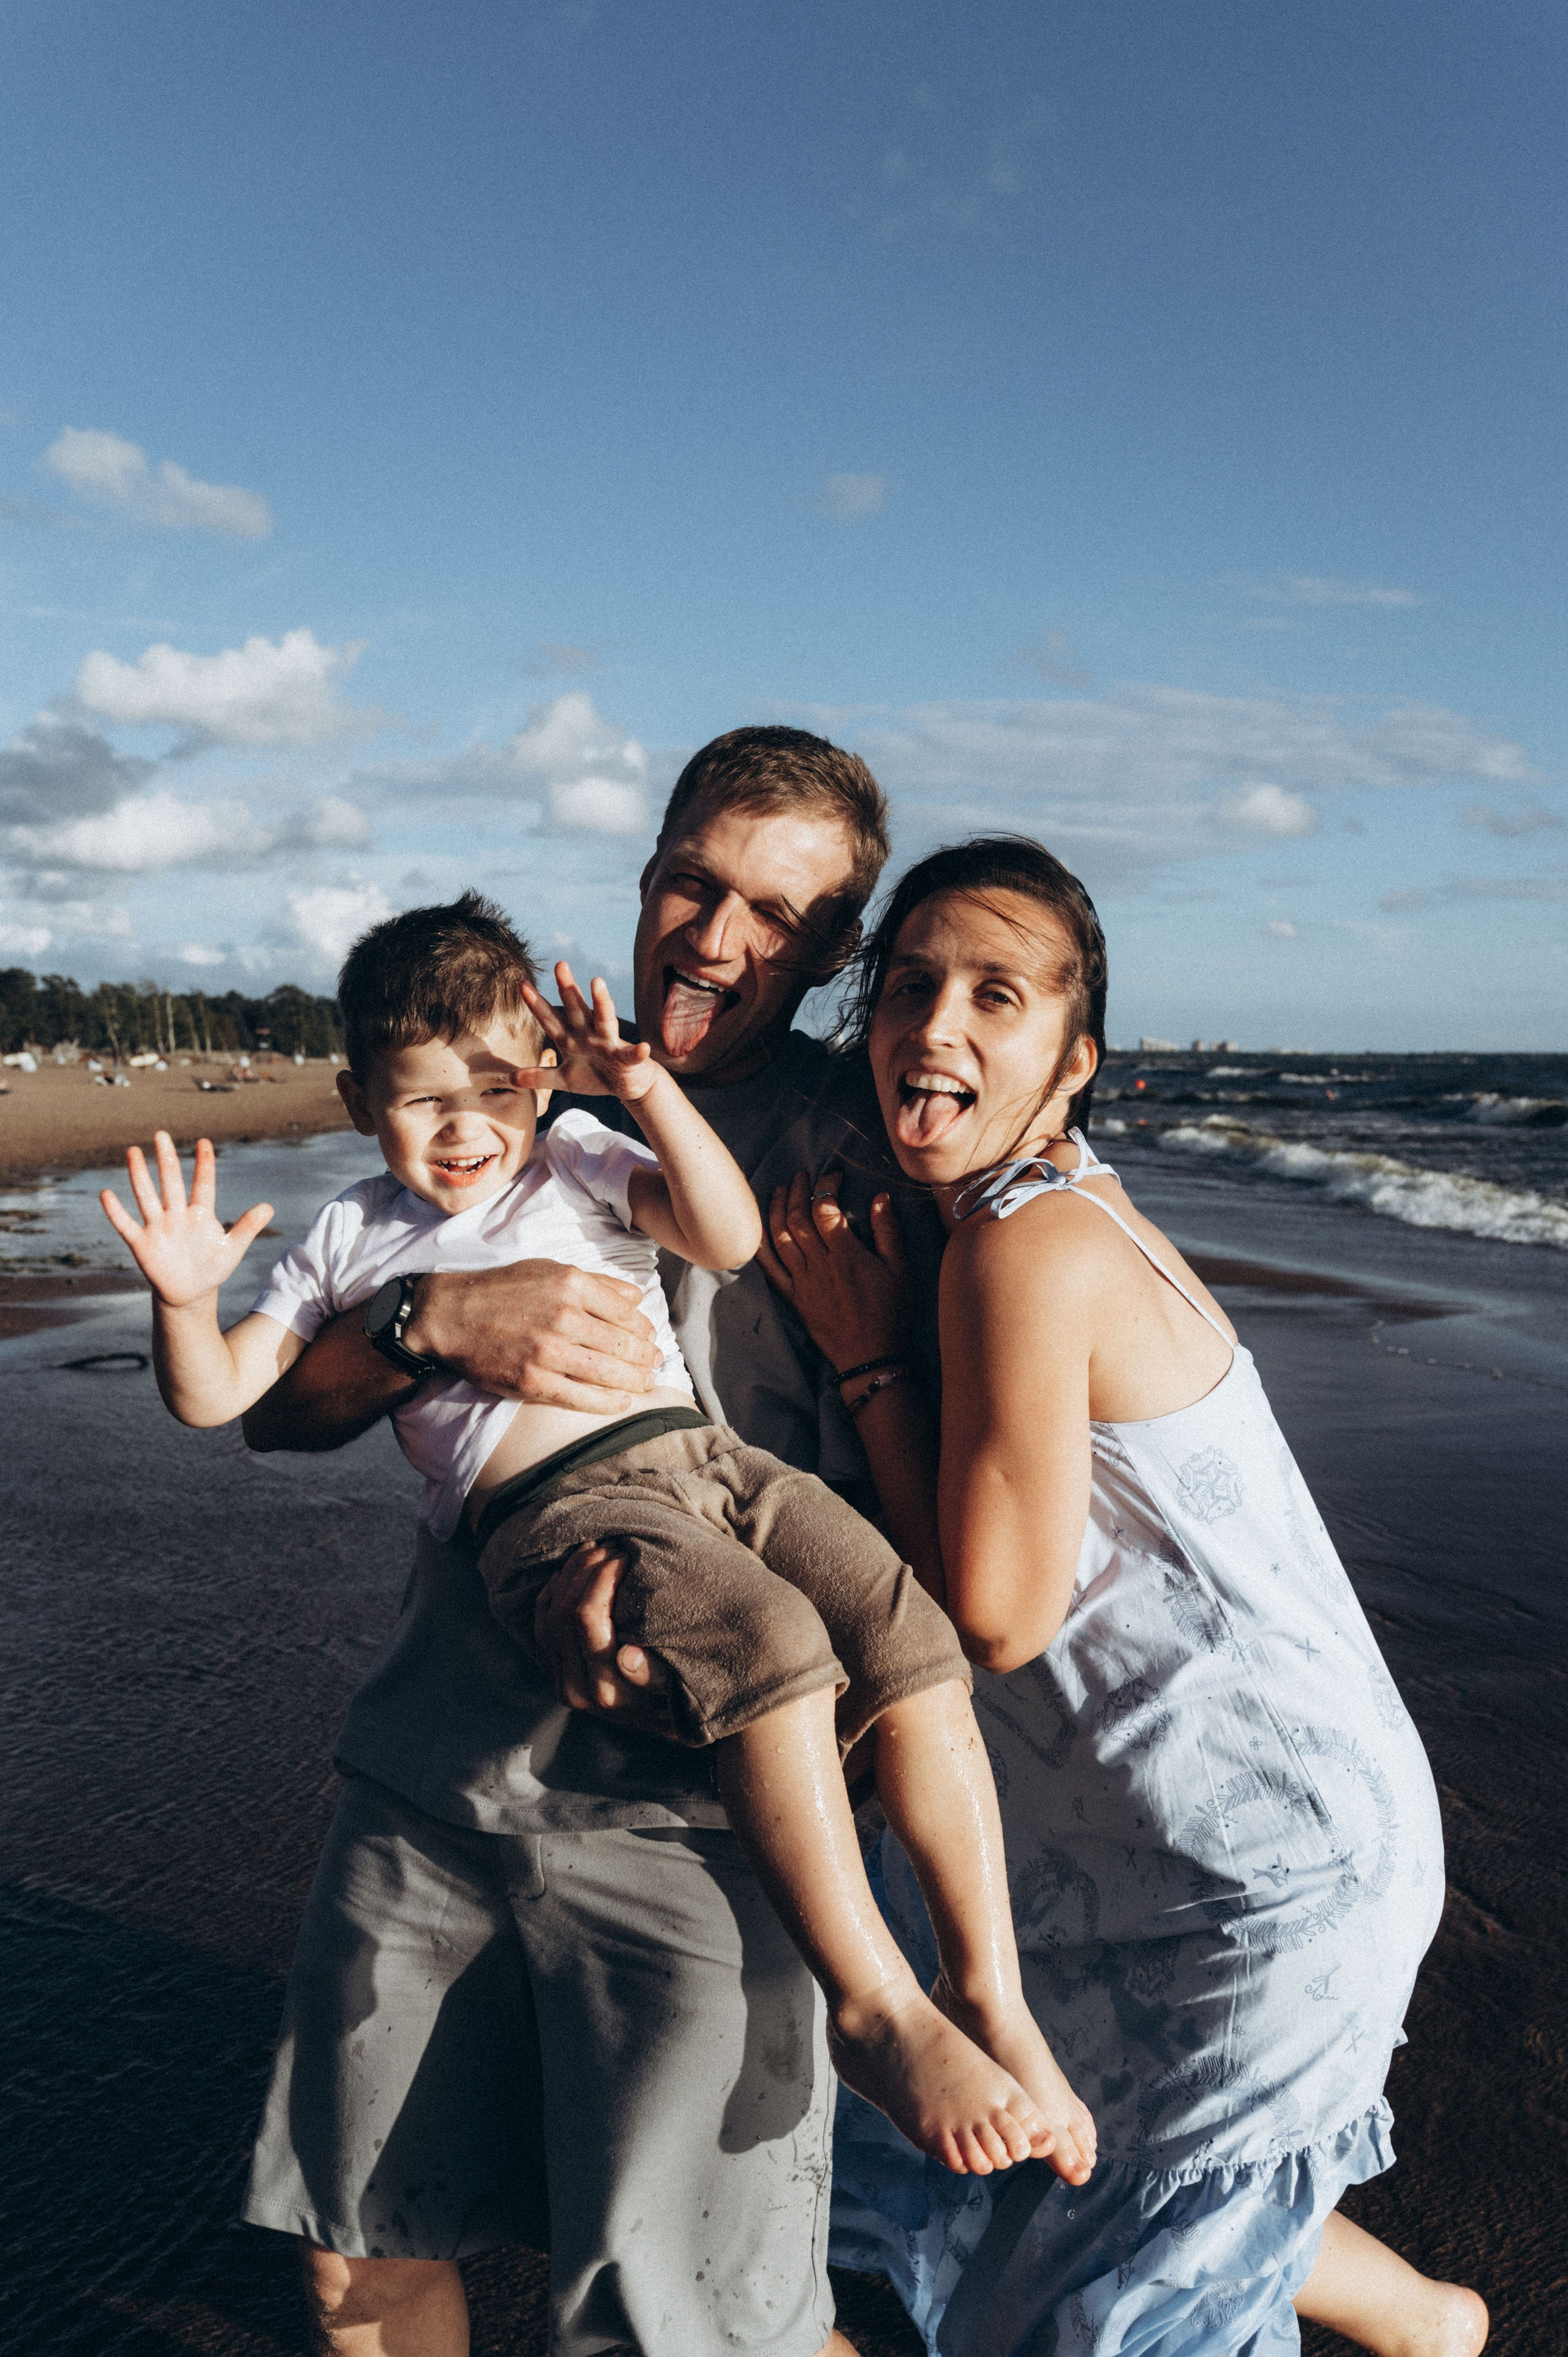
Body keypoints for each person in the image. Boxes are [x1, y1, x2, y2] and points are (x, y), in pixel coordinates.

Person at [100, 890, 1096, 2188]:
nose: (468, 1128)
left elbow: (724, 1234)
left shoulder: (574, 1149)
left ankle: (988, 1994)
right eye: (422, 1100)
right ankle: (872, 2006)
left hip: (711, 1463)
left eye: (496, 1089)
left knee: (907, 1632)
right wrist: (185, 1303)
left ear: (542, 1074)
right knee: (769, 1642)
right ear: (357, 1102)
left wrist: (640, 1089)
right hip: (566, 1507)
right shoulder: (355, 1231)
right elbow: (224, 1398)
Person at [216, 726, 955, 2357]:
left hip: (708, 1825)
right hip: (439, 1769)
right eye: (694, 881)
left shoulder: (873, 1157)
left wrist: (869, 1369)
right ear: (648, 870)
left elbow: (945, 1553)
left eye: (775, 913)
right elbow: (279, 1415)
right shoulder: (504, 1078)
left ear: (836, 947)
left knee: (684, 2323)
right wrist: (429, 1319)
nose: (714, 936)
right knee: (358, 2254)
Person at [760, 836, 1488, 2357]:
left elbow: (995, 1616)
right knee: (1124, 2174)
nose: (936, 1023)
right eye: (909, 986)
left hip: (1253, 1874)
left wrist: (867, 1359)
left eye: (995, 994)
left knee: (1112, 2295)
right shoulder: (1023, 1212)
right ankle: (1429, 2326)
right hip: (1173, 1837)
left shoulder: (1026, 1245)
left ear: (1072, 1060)